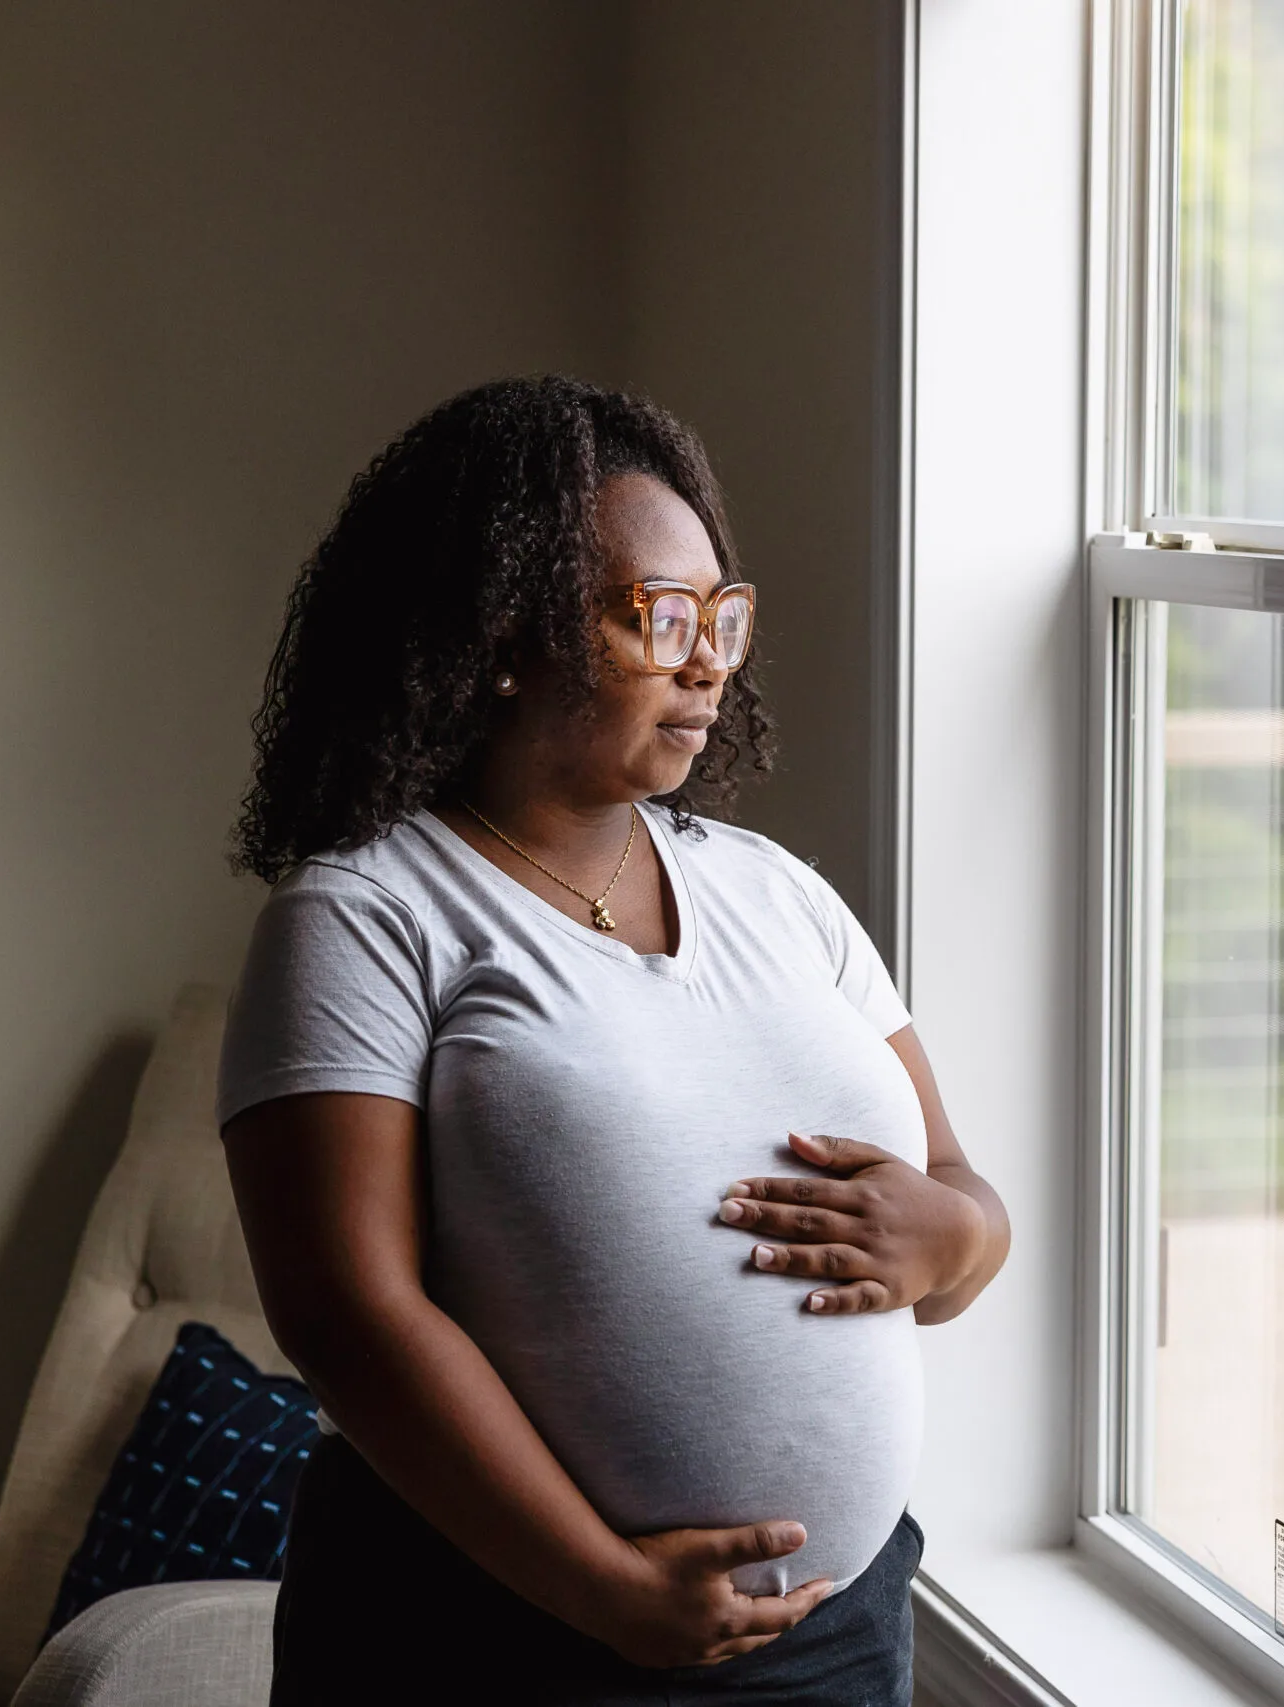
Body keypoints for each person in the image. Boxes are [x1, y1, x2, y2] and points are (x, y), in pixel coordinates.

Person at [216, 375, 1009, 1705]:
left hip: (832, 1636)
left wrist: (961, 1238)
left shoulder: (779, 894)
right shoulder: (365, 913)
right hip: (498, 1638)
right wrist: (605, 1585)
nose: (710, 658)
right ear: (504, 636)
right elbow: (347, 1314)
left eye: (724, 615)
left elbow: (958, 1186)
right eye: (662, 616)